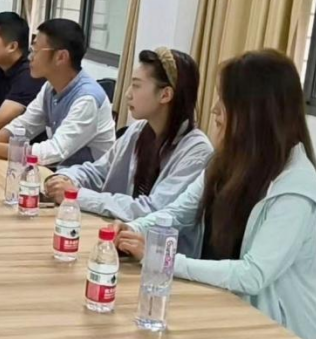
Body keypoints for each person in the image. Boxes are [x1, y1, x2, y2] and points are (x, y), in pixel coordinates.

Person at [116, 50, 316, 339]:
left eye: (224, 101)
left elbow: (252, 275)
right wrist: (133, 229)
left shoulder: (296, 187)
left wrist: (164, 261)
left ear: (255, 111)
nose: (215, 110)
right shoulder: (227, 161)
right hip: (221, 310)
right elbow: (179, 212)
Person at [44, 48, 212, 256]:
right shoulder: (138, 131)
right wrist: (64, 178)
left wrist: (77, 195)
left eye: (137, 85)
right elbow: (98, 171)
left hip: (161, 259)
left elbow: (154, 210)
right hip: (120, 243)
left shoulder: (197, 151)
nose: (128, 94)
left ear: (165, 94)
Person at [0, 18, 115, 167]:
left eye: (35, 51)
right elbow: (24, 125)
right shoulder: (50, 87)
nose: (30, 57)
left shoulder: (87, 98)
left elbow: (53, 151)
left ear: (61, 57)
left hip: (86, 177)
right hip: (61, 170)